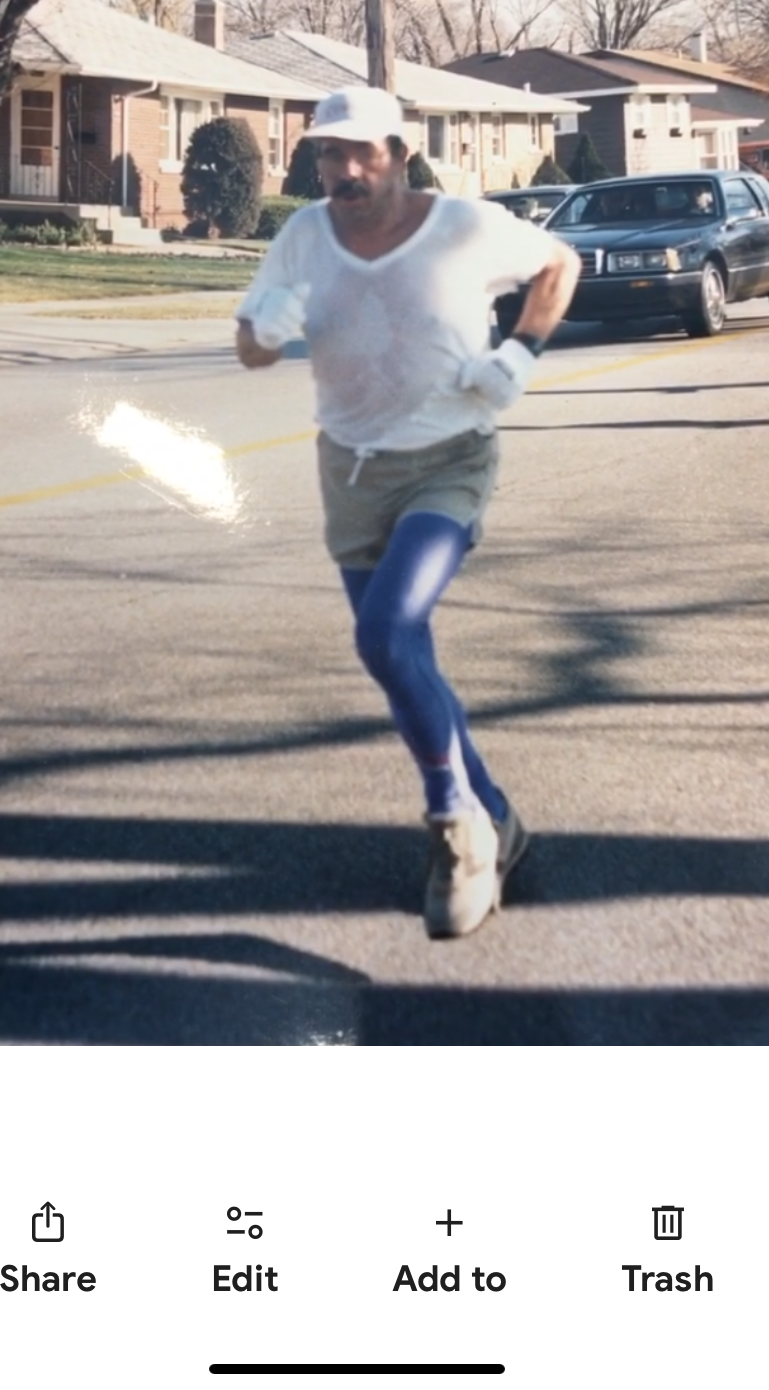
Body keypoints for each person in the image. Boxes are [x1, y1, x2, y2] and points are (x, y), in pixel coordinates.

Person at [235, 88, 581, 939]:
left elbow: (559, 263)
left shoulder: (461, 225)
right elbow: (248, 348)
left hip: (448, 461)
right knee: (405, 661)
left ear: (399, 152)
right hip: (350, 472)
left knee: (386, 635)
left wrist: (520, 353)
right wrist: (265, 330)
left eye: (363, 154)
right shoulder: (306, 234)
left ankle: (457, 831)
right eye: (329, 155)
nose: (346, 172)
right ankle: (495, 814)